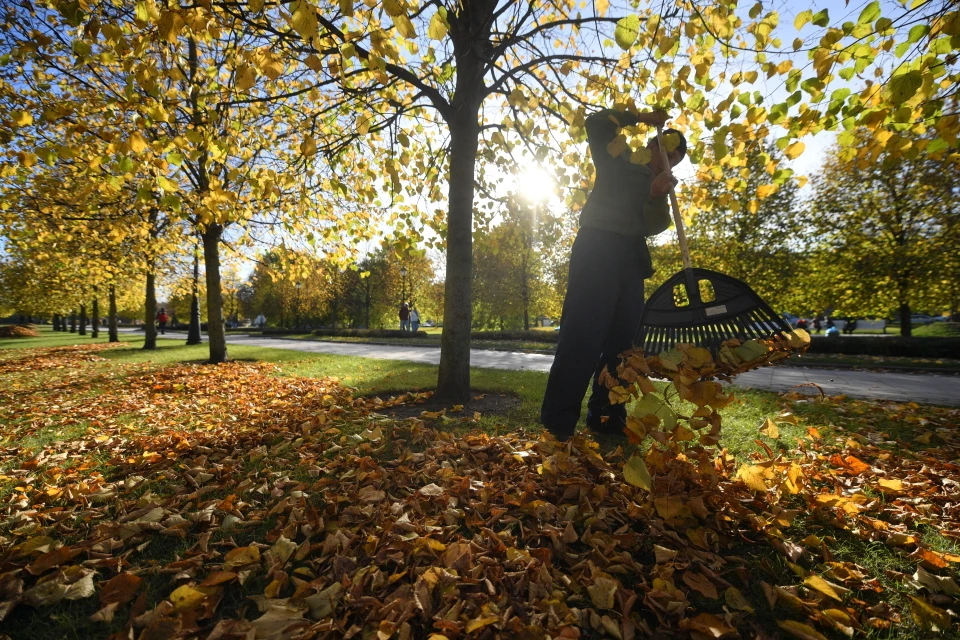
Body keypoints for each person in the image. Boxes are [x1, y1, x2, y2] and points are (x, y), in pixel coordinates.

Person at [540, 107, 684, 441]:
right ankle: (558, 422)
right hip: (597, 249)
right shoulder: (620, 160)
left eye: (673, 156)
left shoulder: (663, 184)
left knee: (625, 345)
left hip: (632, 259)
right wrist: (640, 116)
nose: (666, 157)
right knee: (583, 335)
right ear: (650, 145)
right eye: (663, 147)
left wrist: (655, 195)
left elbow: (653, 225)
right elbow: (597, 123)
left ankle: (607, 418)